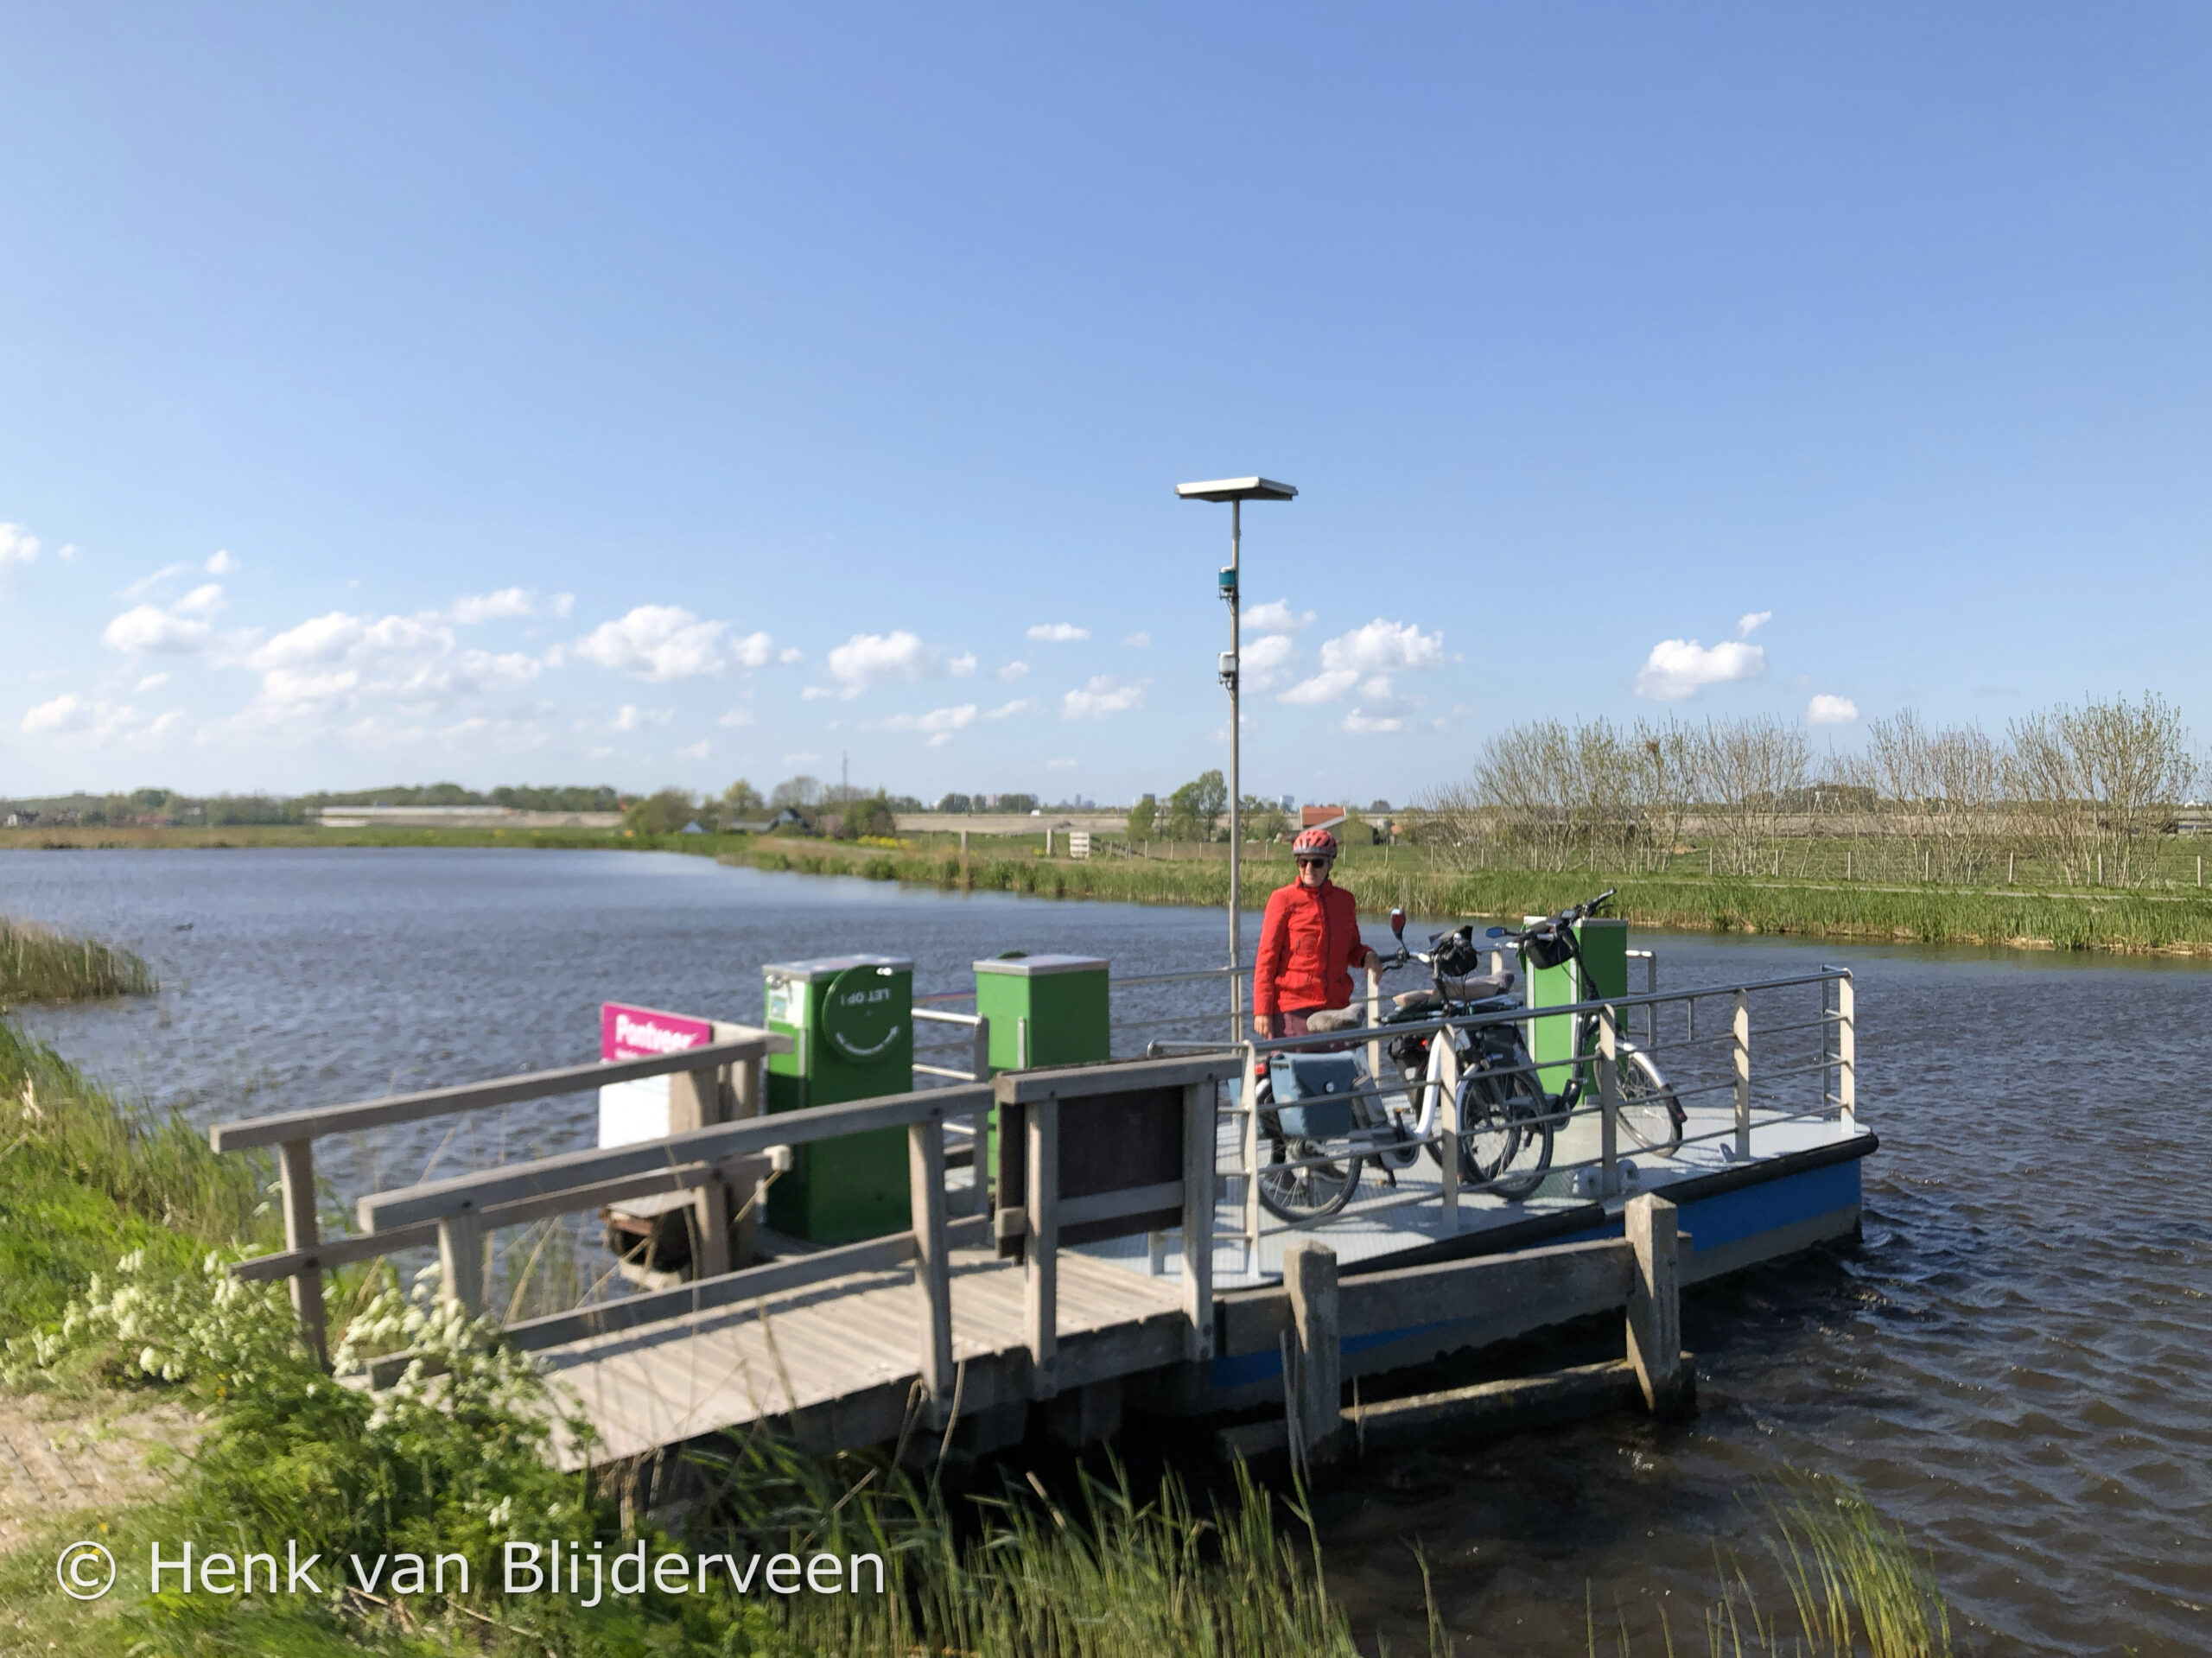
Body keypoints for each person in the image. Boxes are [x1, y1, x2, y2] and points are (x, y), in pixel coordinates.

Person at [1253, 827, 1381, 1038]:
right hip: (1294, 1010)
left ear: (1330, 863)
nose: (1309, 868)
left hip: (1336, 1008)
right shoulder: (1282, 899)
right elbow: (1266, 959)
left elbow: (1351, 948)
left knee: (1345, 1058)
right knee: (1296, 1059)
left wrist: (1368, 955)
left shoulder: (1345, 901)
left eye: (1317, 862)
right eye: (1303, 862)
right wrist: (1262, 1011)